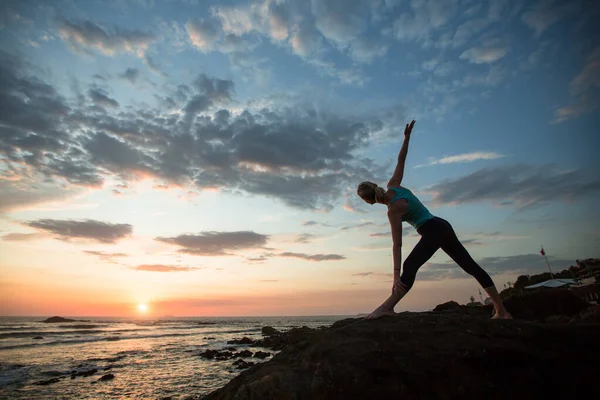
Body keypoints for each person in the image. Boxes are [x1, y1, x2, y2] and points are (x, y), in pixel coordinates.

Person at [356, 120, 512, 320]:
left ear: (369, 202)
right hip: (442, 224)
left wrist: (396, 276)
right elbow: (401, 161)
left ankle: (387, 307)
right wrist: (406, 138)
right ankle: (502, 310)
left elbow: (397, 244)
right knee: (470, 266)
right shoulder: (394, 185)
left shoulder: (393, 210)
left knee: (410, 265)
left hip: (431, 230)